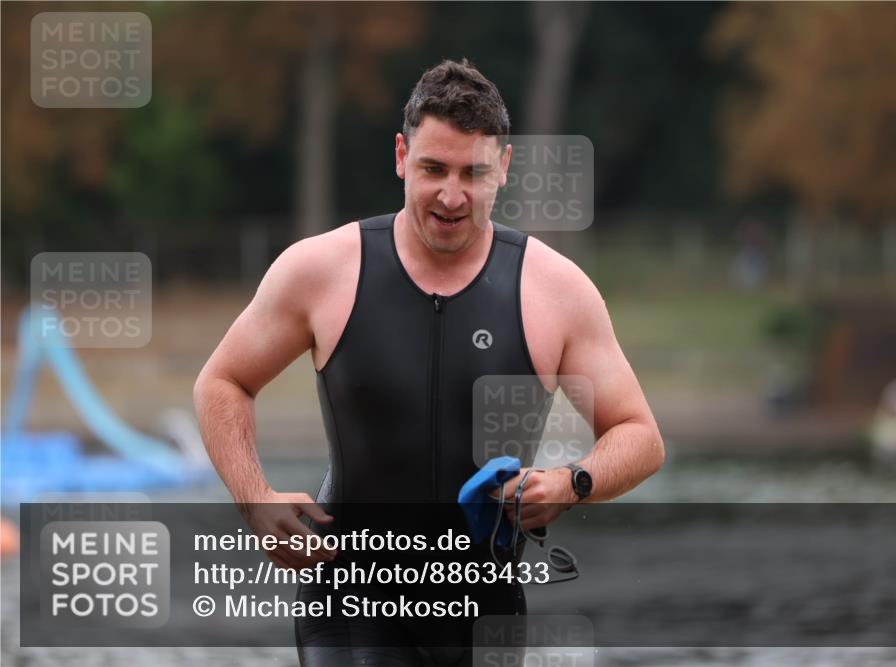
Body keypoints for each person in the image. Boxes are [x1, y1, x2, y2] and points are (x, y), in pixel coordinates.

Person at [194, 58, 665, 666]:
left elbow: (641, 435)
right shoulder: (322, 271)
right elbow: (222, 382)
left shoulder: (555, 291)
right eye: (433, 169)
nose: (451, 195)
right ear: (400, 156)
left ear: (504, 168)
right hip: (349, 598)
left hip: (482, 610)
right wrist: (254, 497)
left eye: (472, 173)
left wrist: (573, 482)